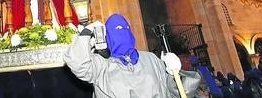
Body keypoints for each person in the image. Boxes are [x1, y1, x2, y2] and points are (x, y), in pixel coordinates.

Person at [64, 14, 201, 97]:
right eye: (117, 29)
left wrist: (176, 73)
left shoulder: (151, 60)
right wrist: (87, 32)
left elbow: (178, 92)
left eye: (126, 28)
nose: (123, 32)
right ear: (108, 36)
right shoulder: (101, 65)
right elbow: (78, 63)